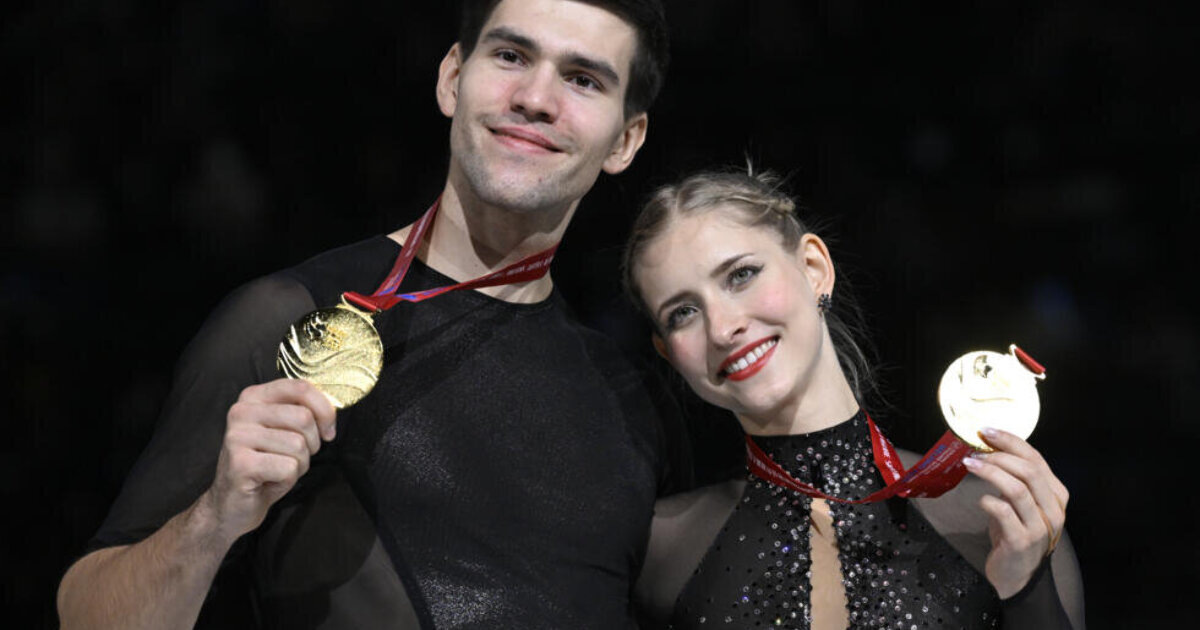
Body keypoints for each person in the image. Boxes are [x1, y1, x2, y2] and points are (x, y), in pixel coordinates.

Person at [57, 1, 679, 628]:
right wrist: (215, 517)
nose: (536, 98)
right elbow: (86, 617)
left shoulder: (632, 401)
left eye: (583, 80)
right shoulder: (288, 322)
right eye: (511, 56)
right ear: (452, 79)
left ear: (625, 140)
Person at [623, 170, 1085, 629]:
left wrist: (1027, 590)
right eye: (683, 312)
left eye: (741, 275)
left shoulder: (996, 518)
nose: (723, 328)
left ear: (814, 269)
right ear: (667, 351)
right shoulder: (658, 552)